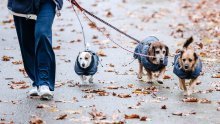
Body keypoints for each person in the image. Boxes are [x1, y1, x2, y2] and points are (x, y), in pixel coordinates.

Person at [7, 0, 63, 100]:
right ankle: (36, 81)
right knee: (27, 43)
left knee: (42, 34)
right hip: (22, 4)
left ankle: (44, 82)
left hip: (48, 2)